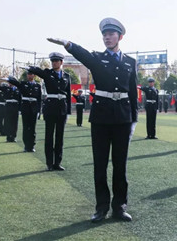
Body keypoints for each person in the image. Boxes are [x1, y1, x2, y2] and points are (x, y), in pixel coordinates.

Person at [47, 17, 137, 223]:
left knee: (120, 165)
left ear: (120, 37)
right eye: (104, 35)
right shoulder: (97, 58)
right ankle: (101, 207)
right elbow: (84, 54)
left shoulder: (130, 62)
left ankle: (120, 207)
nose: (107, 37)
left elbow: (132, 91)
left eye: (111, 34)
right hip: (101, 117)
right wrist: (68, 44)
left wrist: (133, 120)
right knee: (100, 164)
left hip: (123, 117)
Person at [26, 52, 72, 171]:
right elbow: (38, 71)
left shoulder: (67, 76)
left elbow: (68, 94)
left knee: (59, 137)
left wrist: (68, 112)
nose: (54, 63)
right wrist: (30, 68)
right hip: (50, 108)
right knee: (49, 136)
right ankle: (49, 163)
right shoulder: (47, 73)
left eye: (56, 61)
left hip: (62, 108)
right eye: (52, 61)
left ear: (61, 62)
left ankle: (57, 163)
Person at [8, 69, 43, 152]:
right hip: (26, 107)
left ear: (34, 75)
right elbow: (16, 83)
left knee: (32, 128)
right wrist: (10, 78)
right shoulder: (23, 84)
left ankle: (32, 145)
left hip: (34, 108)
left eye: (31, 74)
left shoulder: (38, 86)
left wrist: (39, 111)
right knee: (26, 127)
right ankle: (26, 146)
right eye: (28, 74)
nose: (29, 76)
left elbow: (39, 99)